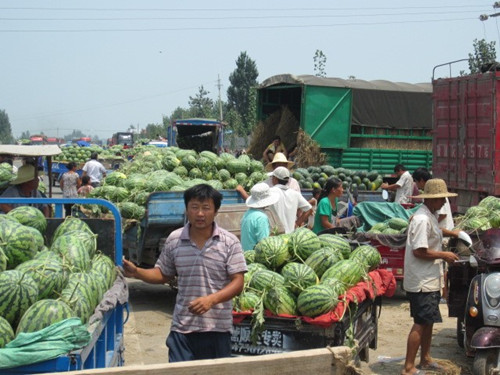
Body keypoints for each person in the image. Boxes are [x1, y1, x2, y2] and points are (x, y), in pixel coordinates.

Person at [122, 184, 247, 362]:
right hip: (182, 328)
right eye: (194, 207)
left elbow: (238, 282)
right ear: (186, 209)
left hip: (217, 328)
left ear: (216, 211)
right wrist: (137, 272)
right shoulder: (174, 239)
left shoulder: (229, 242)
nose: (200, 213)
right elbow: (163, 274)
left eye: (206, 208)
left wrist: (211, 300)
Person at [401, 179, 460, 375]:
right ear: (431, 199)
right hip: (421, 281)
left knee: (429, 320)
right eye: (442, 198)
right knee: (421, 322)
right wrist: (445, 255)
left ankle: (425, 359)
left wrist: (452, 233)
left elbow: (436, 231)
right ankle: (409, 367)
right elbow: (419, 251)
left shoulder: (430, 215)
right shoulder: (421, 219)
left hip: (430, 279)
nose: (444, 202)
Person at [268, 167, 311, 234]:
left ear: (275, 179)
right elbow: (309, 209)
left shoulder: (270, 192)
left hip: (275, 235)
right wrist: (297, 223)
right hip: (290, 235)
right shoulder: (295, 194)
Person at [240, 182, 280, 251]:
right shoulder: (261, 218)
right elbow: (264, 244)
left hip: (246, 255)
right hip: (255, 257)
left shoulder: (247, 213)